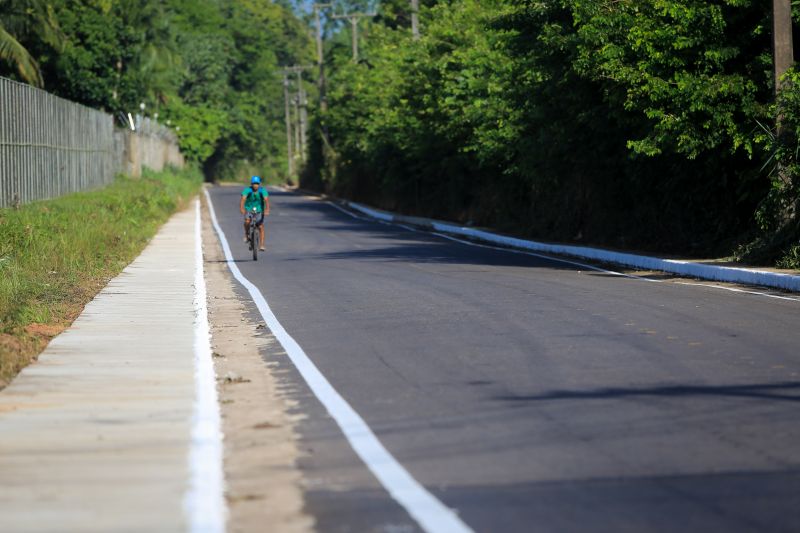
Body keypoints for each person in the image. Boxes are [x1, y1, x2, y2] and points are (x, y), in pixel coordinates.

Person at [240, 176, 270, 251]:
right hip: (249, 209)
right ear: (251, 184)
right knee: (247, 221)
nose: (255, 185)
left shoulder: (262, 190)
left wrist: (267, 209)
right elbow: (243, 199)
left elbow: (266, 200)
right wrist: (242, 208)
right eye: (254, 184)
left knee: (260, 226)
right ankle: (247, 235)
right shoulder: (248, 190)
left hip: (259, 210)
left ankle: (262, 245)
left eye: (257, 184)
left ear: (259, 184)